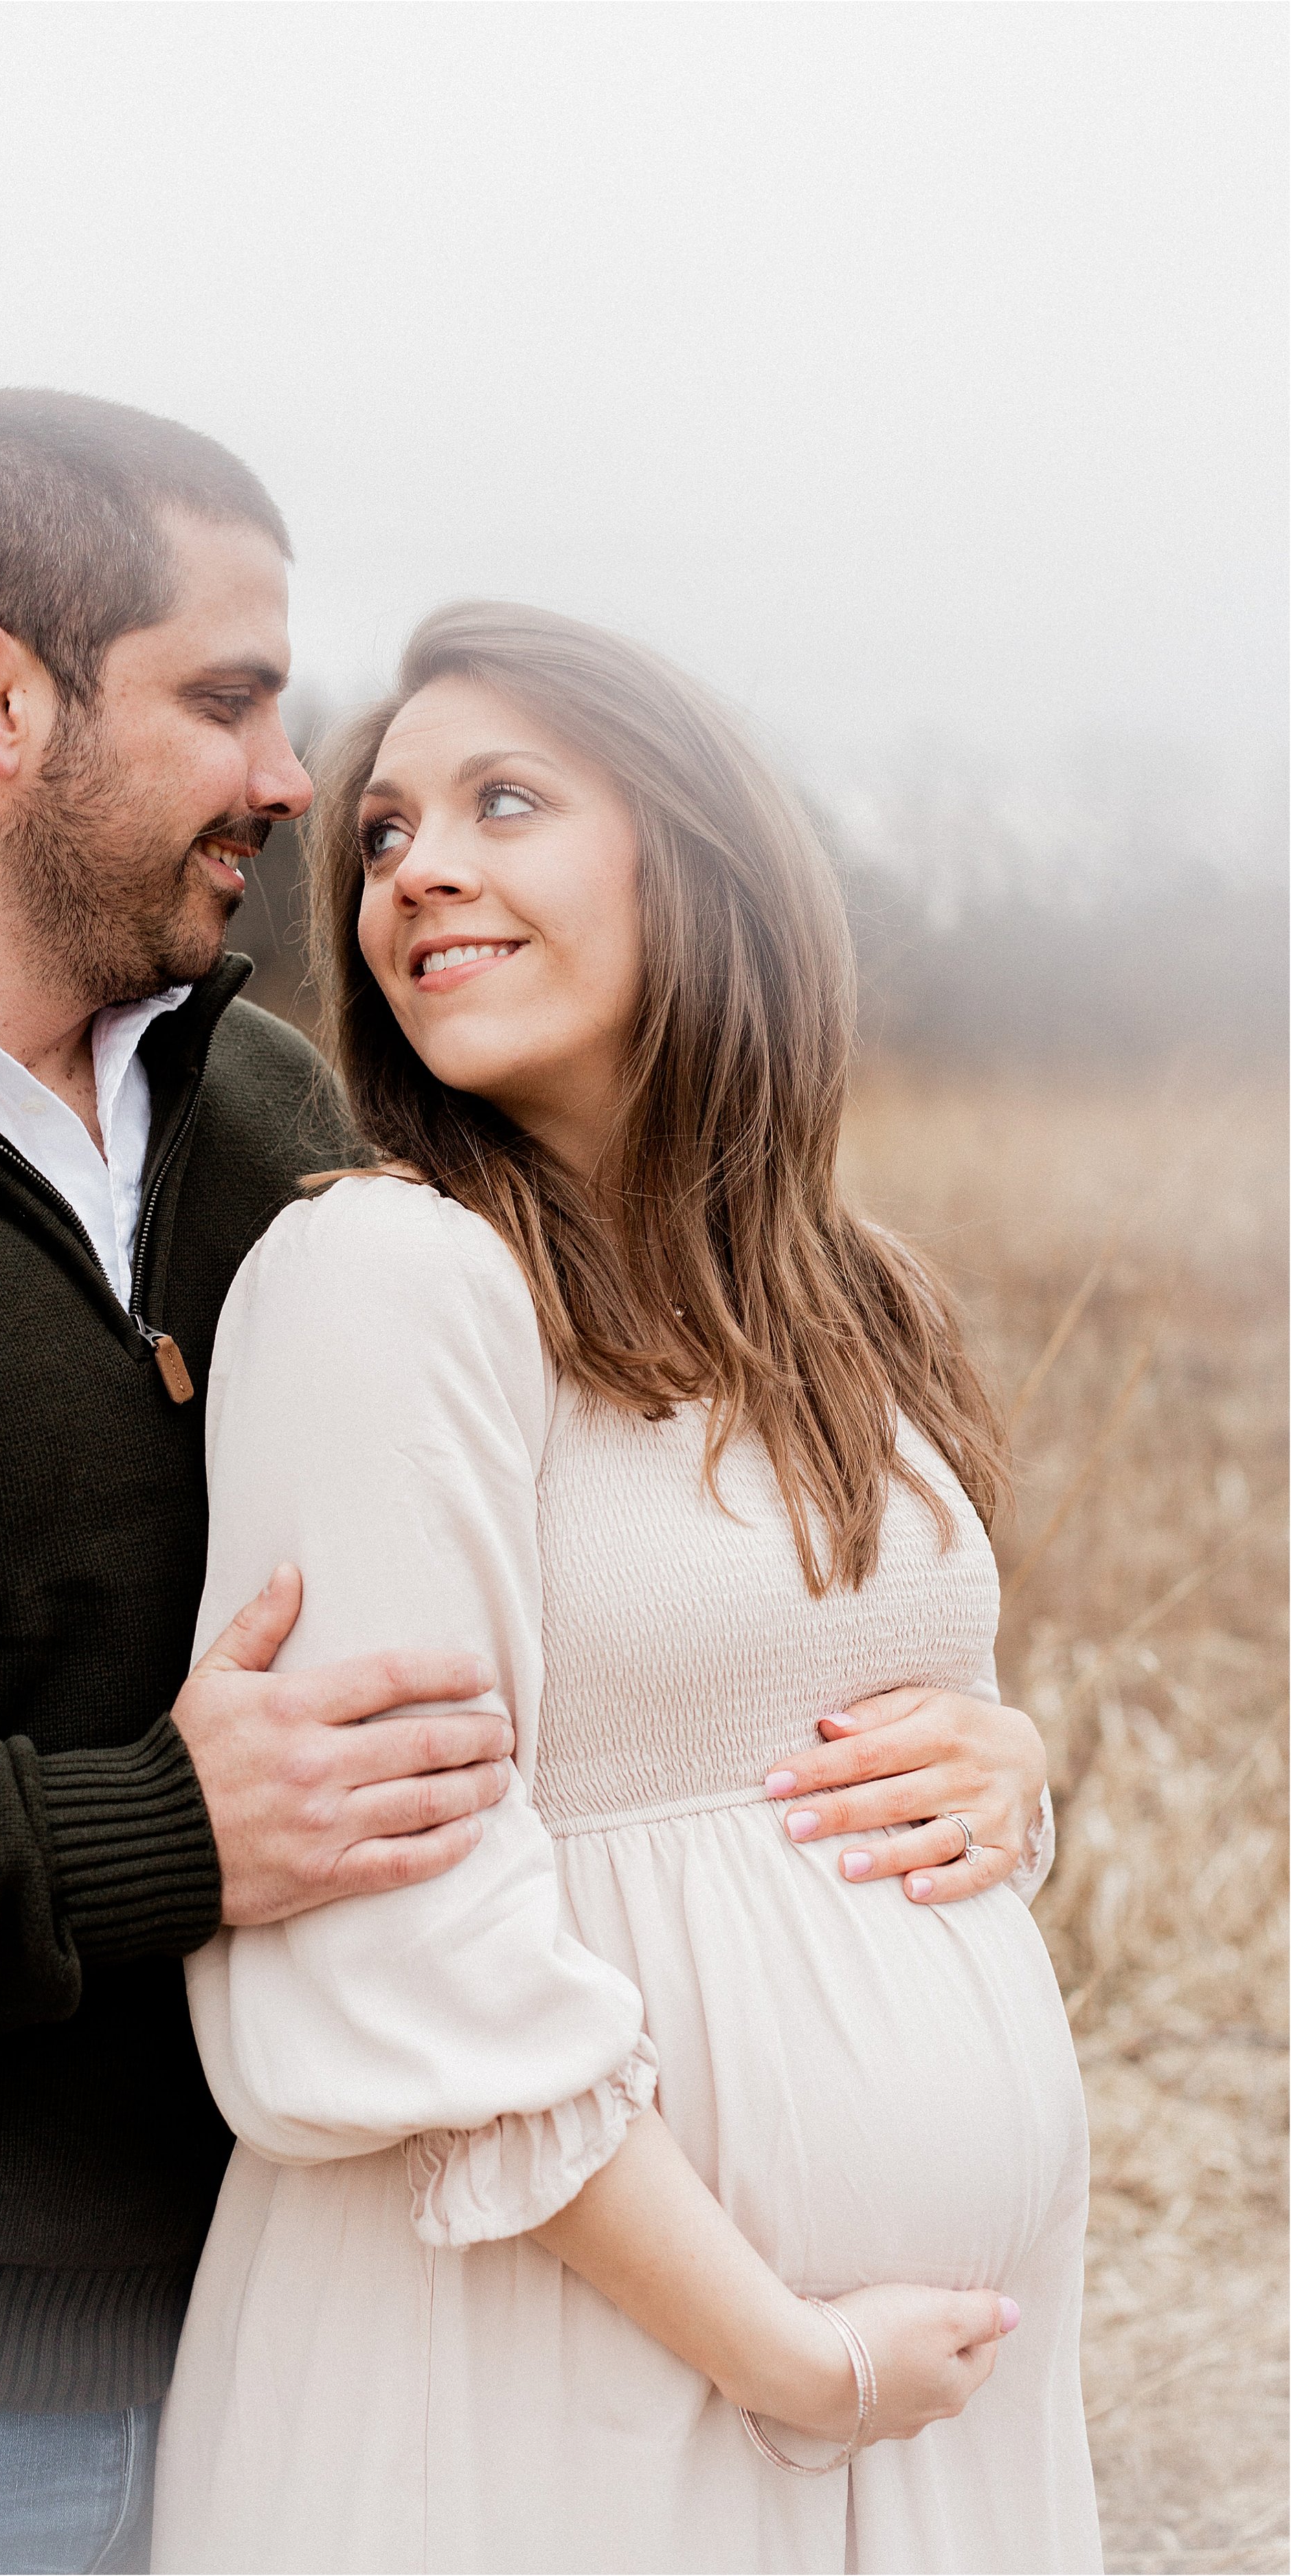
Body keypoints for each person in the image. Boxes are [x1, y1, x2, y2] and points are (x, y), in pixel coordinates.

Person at [0, 395, 1049, 2576]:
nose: (295, 782)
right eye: (232, 701)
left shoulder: (263, 1107)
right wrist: (156, 1833)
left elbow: (563, 1596)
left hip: (293, 2295)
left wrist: (995, 1760)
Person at [152, 603, 1100, 2574]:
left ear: (704, 857)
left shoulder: (851, 1292)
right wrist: (786, 2353)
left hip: (915, 2398)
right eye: (389, 831)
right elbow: (391, 1932)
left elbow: (860, 1727)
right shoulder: (388, 1285)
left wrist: (1008, 1767)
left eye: (505, 800)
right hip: (559, 2388)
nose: (418, 868)